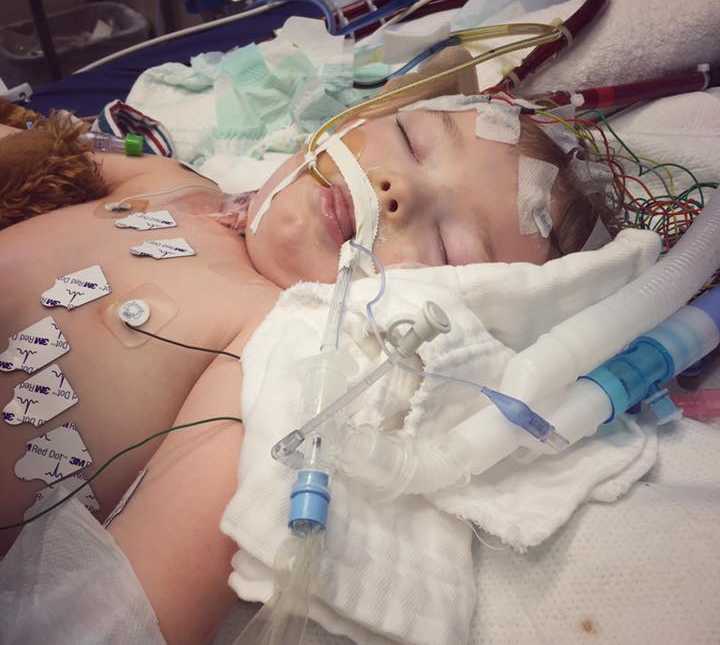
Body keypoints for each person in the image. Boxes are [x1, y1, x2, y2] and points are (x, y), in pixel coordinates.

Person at [0, 87, 612, 643]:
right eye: (411, 141)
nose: (400, 190)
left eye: (453, 246)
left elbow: (122, 616)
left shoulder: (264, 358)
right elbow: (38, 152)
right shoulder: (170, 183)